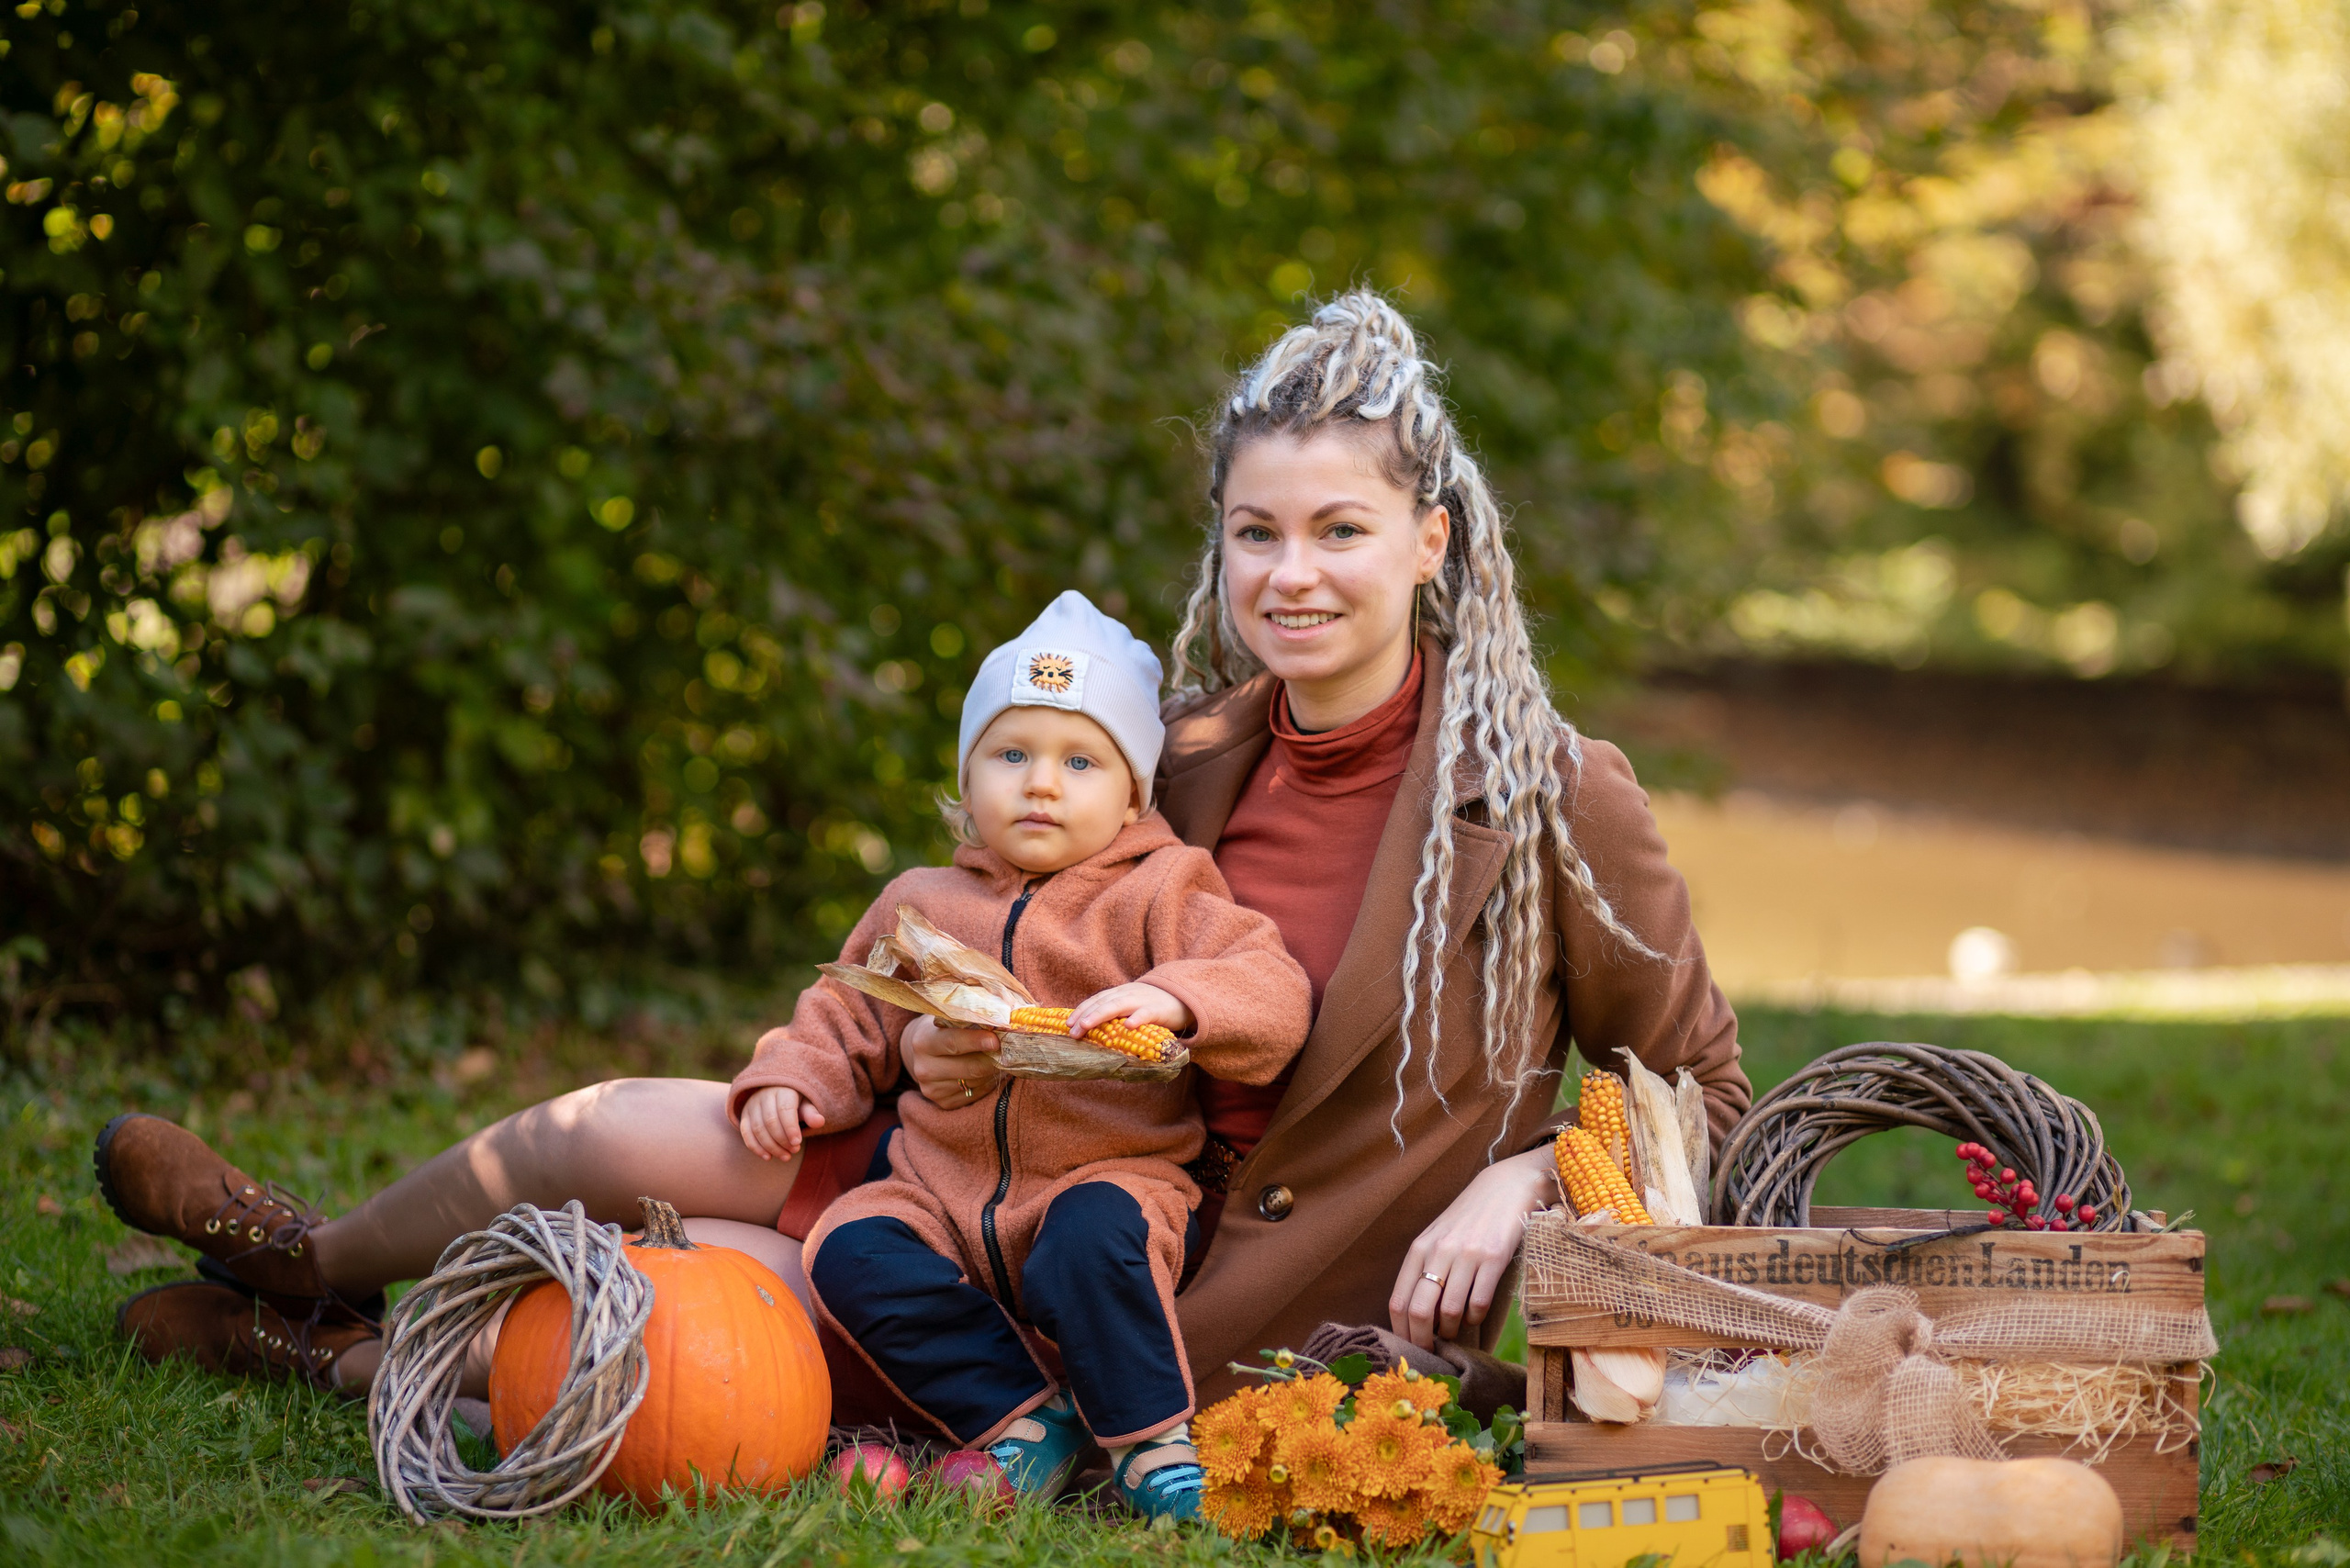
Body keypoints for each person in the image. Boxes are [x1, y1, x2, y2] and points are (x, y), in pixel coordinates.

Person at [95, 290, 1748, 1431]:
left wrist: (1521, 1171)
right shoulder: (1176, 746)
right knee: (596, 1126)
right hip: (970, 1154)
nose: (1293, 574)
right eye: (1258, 532)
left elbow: (1711, 1097)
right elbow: (986, 915)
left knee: (691, 1317)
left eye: (1341, 531)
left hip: (1172, 1274)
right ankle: (295, 1253)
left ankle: (309, 1354)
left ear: (1431, 541)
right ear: (1220, 542)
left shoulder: (1544, 795)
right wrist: (934, 1025)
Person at [732, 590, 1311, 1518]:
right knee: (848, 1246)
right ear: (966, 782)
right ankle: (1024, 1423)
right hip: (939, 1187)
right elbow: (846, 1002)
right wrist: (793, 1077)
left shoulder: (1163, 888)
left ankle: (1155, 1444)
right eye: (1010, 755)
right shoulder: (920, 900)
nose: (1040, 783)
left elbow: (1270, 988)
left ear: (1131, 795)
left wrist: (1172, 994)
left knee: (1093, 1239)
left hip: (1107, 1173)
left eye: (1079, 761)